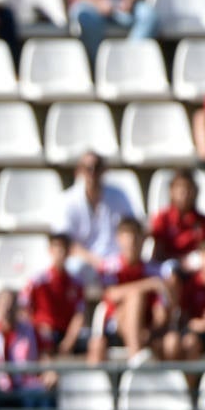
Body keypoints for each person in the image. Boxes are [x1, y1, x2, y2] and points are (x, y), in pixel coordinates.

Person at [87, 218, 169, 366]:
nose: (132, 245)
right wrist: (147, 285)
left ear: (143, 240)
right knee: (135, 296)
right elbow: (110, 294)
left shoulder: (154, 270)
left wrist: (154, 325)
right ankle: (135, 354)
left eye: (136, 240)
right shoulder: (110, 267)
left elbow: (160, 311)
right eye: (127, 240)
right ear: (119, 240)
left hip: (146, 328)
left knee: (170, 343)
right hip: (115, 324)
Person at [51, 151, 138, 286]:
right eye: (87, 168)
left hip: (115, 260)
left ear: (104, 170)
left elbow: (132, 227)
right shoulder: (68, 201)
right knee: (74, 268)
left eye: (96, 167)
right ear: (79, 171)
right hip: (83, 262)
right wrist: (95, 261)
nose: (92, 172)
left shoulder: (119, 196)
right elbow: (65, 242)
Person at [20, 234, 87, 357]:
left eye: (64, 248)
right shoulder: (38, 281)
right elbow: (23, 308)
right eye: (57, 248)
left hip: (66, 332)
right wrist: (35, 326)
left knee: (95, 342)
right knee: (45, 338)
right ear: (50, 250)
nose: (61, 252)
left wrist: (69, 340)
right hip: (43, 332)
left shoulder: (76, 283)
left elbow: (79, 315)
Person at [149, 169, 205, 271]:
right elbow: (157, 255)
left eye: (188, 188)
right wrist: (180, 262)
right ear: (171, 191)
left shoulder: (203, 223)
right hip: (169, 273)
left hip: (195, 274)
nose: (184, 193)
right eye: (180, 188)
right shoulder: (162, 219)